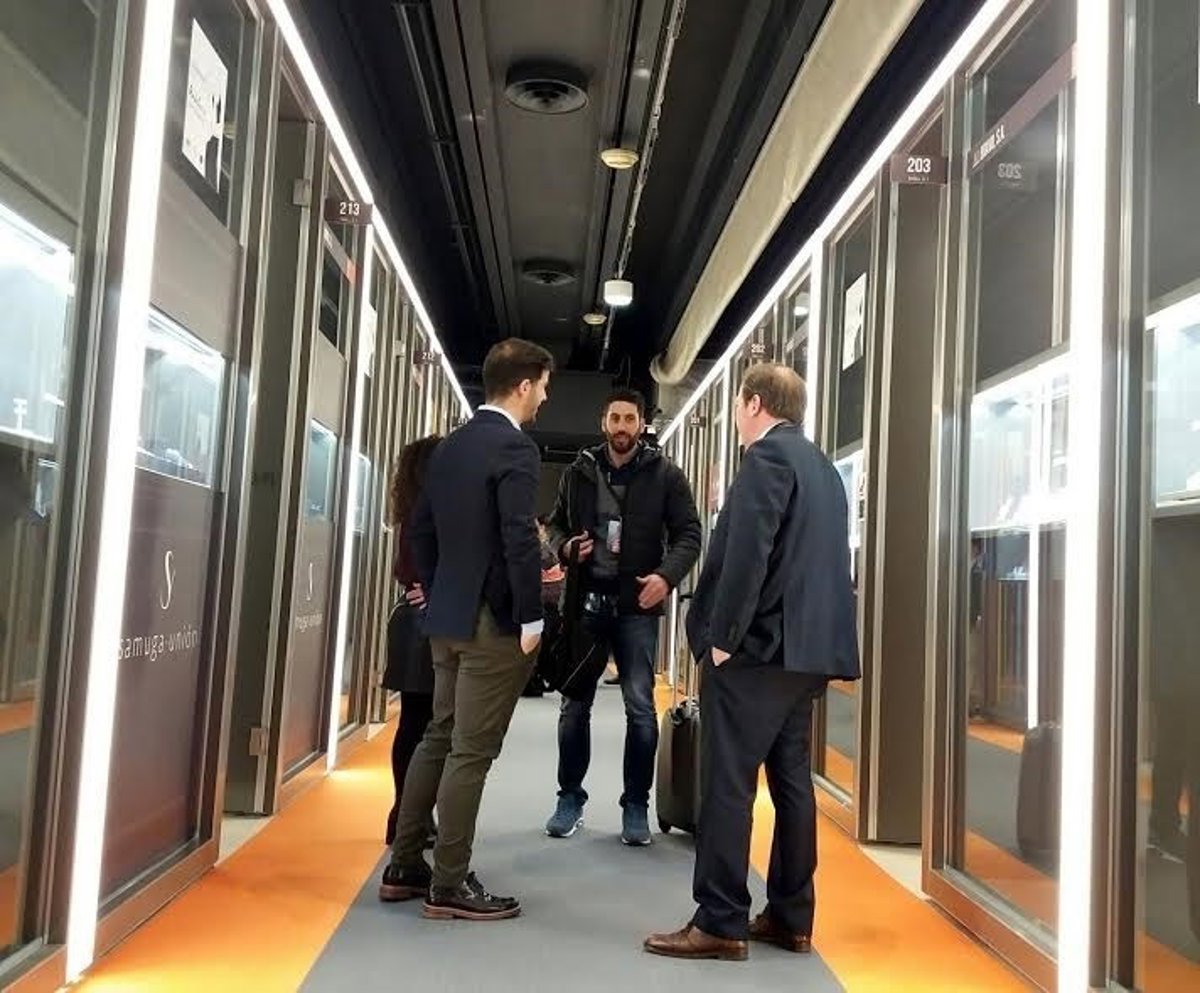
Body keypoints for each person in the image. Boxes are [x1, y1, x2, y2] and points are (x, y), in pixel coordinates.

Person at [644, 363, 860, 961]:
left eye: (739, 405)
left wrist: (724, 638)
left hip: (757, 652)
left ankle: (720, 920)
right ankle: (792, 917)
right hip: (807, 656)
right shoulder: (822, 469)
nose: (738, 416)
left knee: (727, 783)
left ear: (755, 403)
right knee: (792, 784)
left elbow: (749, 553)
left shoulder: (766, 459)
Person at [378, 338, 553, 922]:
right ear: (523, 385)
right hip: (491, 624)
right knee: (471, 752)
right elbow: (519, 537)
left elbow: (420, 530)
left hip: (446, 619)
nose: (544, 398)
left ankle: (405, 865)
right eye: (543, 387)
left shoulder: (450, 446)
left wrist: (437, 592)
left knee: (438, 735)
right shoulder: (515, 448)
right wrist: (530, 615)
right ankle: (449, 883)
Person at [544, 388, 701, 846]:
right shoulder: (578, 472)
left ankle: (636, 805)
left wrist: (666, 578)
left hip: (637, 609)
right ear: (604, 422)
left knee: (640, 710)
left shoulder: (665, 474)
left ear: (641, 424)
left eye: (629, 419)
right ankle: (569, 799)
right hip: (585, 604)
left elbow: (689, 533)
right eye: (615, 418)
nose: (621, 427)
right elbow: (554, 524)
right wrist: (564, 548)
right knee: (574, 707)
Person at [381, 435, 441, 846]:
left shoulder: (411, 509)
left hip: (408, 620)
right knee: (425, 726)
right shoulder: (430, 513)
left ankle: (406, 813)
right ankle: (408, 817)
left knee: (413, 724)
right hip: (423, 624)